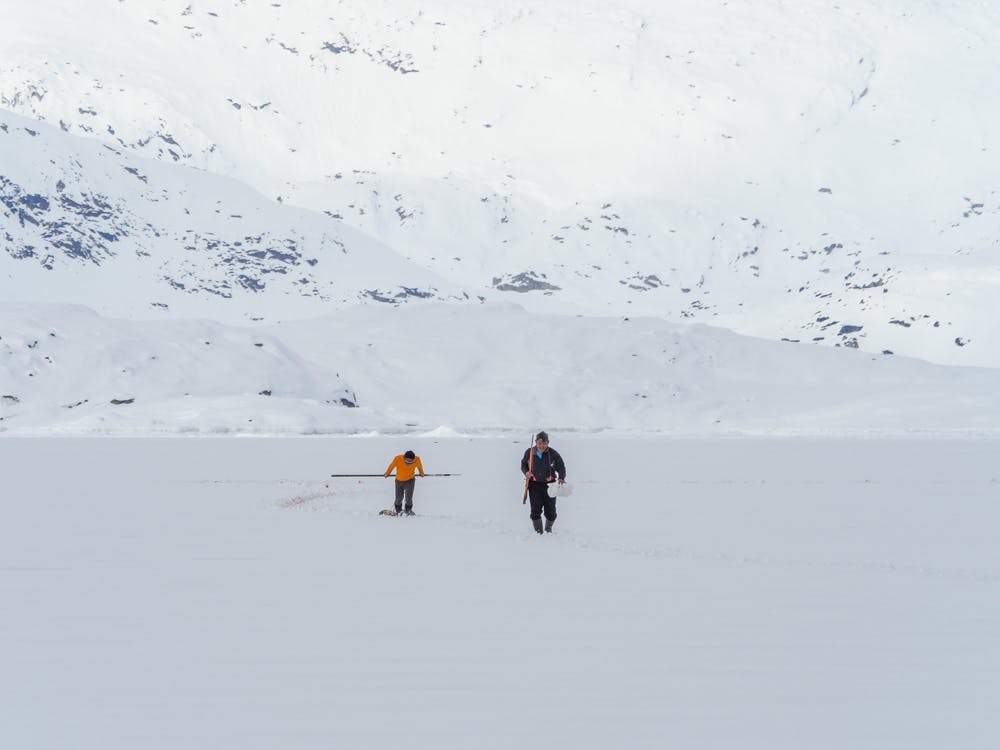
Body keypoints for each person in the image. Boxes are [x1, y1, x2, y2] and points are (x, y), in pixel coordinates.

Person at [520, 431, 566, 534]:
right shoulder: (529, 452)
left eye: (544, 443)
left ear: (548, 443)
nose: (541, 446)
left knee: (551, 513)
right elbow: (523, 464)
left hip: (550, 485)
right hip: (534, 485)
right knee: (535, 511)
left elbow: (561, 466)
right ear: (536, 442)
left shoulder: (553, 454)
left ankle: (548, 529)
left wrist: (561, 477)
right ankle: (539, 533)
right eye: (539, 443)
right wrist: (526, 472)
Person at [384, 450, 425, 515]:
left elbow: (420, 467)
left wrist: (422, 473)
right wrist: (387, 473)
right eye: (407, 461)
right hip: (399, 481)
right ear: (404, 458)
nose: (408, 463)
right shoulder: (398, 458)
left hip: (410, 480)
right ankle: (398, 511)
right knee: (398, 498)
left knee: (408, 498)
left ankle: (408, 511)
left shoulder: (417, 459)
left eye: (411, 461)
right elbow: (391, 466)